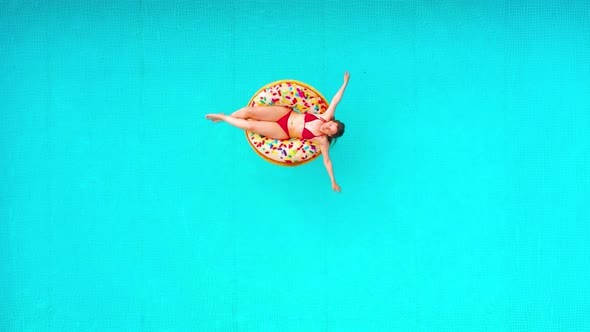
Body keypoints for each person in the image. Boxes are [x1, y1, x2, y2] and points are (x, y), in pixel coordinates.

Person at [206, 72, 349, 192]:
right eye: (330, 124)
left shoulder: (322, 141)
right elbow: (336, 100)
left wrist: (333, 181)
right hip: (283, 114)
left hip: (283, 131)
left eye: (330, 130)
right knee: (249, 111)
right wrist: (345, 82)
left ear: (330, 135)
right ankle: (226, 116)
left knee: (250, 126)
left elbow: (327, 161)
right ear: (331, 121)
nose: (327, 127)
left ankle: (223, 117)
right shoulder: (325, 116)